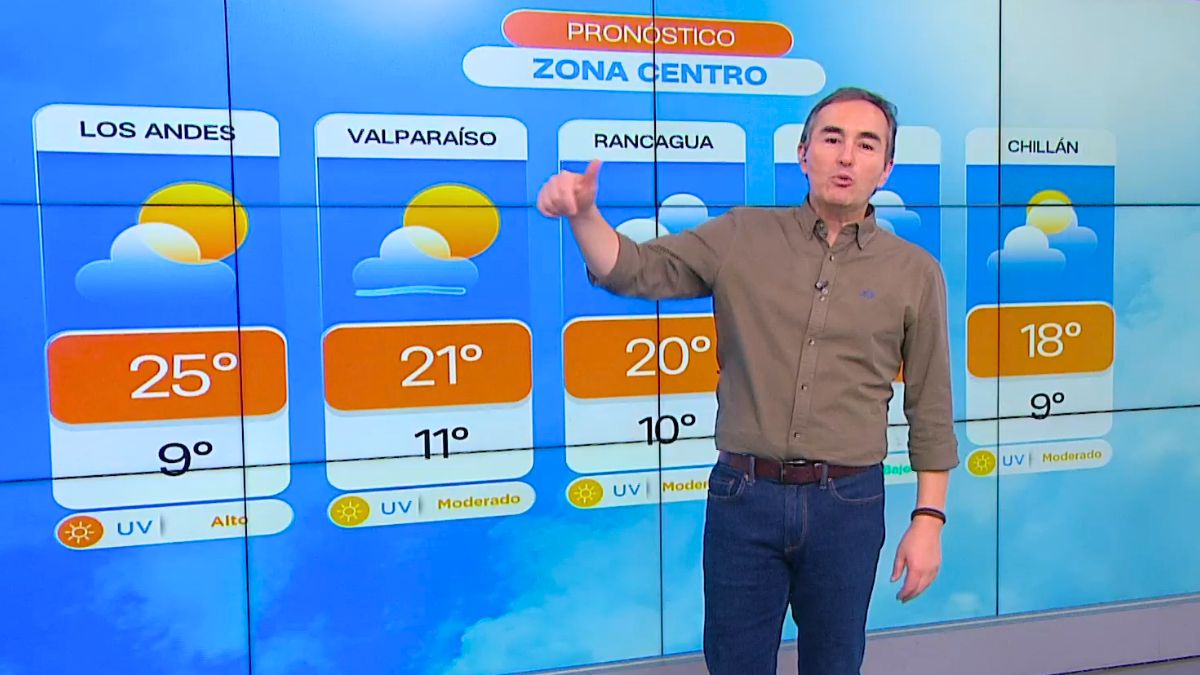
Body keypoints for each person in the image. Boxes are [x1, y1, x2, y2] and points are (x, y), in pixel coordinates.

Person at [537, 86, 958, 675]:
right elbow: (633, 270)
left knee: (836, 665)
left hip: (848, 505)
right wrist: (584, 215)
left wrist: (928, 521)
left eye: (867, 145)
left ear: (885, 169)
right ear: (803, 153)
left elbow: (931, 406)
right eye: (832, 139)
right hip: (744, 498)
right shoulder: (742, 235)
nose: (846, 157)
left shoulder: (915, 272)